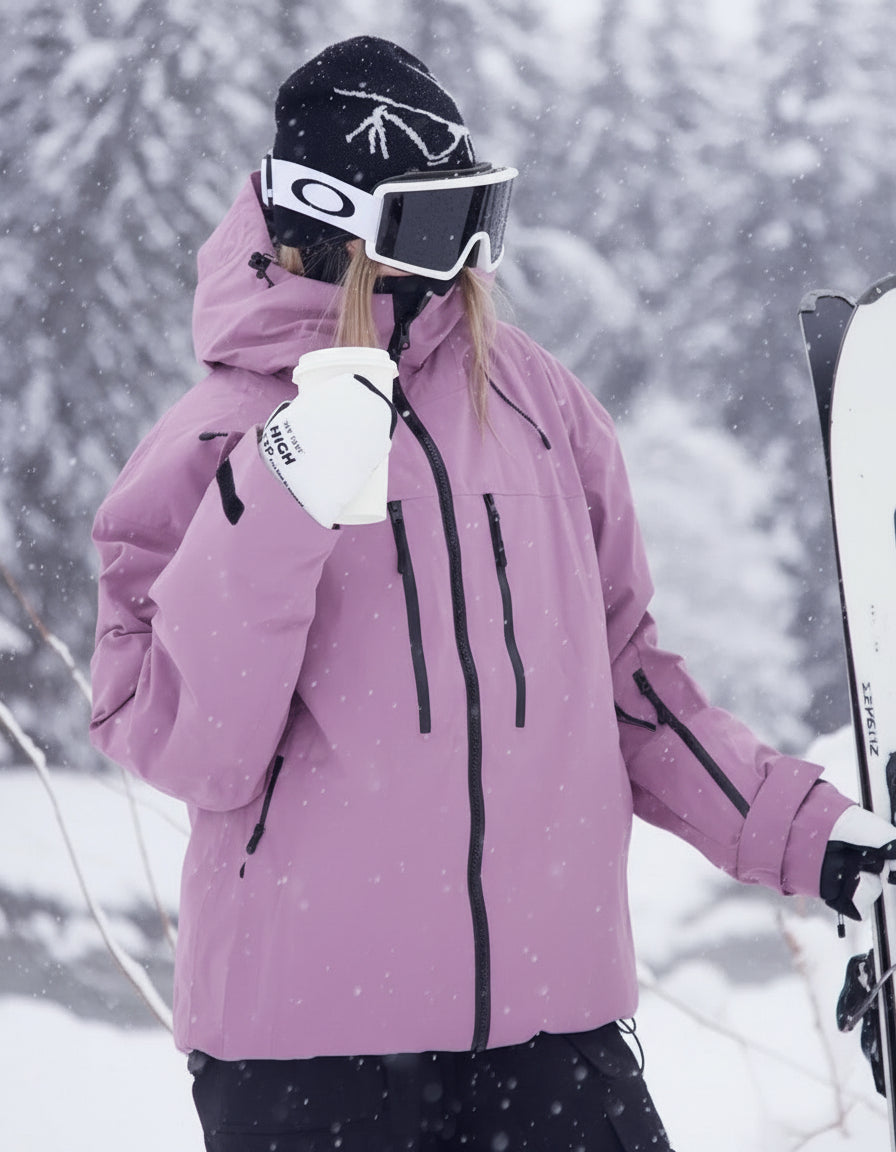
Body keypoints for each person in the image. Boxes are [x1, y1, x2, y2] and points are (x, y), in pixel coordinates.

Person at [89, 35, 896, 1152]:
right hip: (308, 1070)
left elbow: (631, 693)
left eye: (485, 215)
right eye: (437, 220)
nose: (468, 258)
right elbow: (180, 735)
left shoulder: (531, 405)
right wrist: (280, 492)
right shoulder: (209, 442)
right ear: (335, 219)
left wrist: (817, 842)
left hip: (553, 1040)